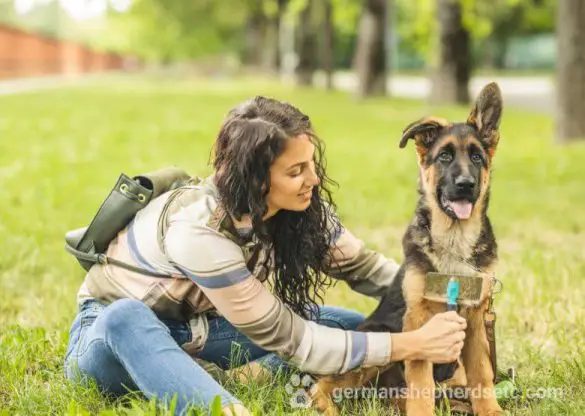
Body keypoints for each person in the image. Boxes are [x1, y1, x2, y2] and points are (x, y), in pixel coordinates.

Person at [64, 96, 467, 416]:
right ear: (256, 180)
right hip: (112, 343)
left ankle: (239, 373)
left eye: (312, 165)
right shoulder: (198, 231)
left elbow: (370, 271)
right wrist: (412, 344)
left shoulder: (299, 211)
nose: (312, 180)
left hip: (203, 332)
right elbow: (295, 341)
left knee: (351, 325)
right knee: (126, 317)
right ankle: (222, 407)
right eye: (295, 172)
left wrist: (459, 290)